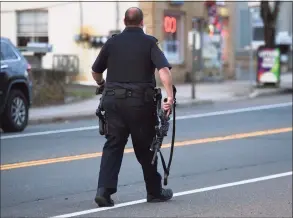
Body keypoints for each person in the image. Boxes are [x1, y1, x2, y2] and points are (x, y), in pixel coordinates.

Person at [91, 6, 174, 207]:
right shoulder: (150, 43)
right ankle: (154, 192)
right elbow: (163, 70)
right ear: (142, 22)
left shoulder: (112, 43)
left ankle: (104, 191)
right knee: (145, 147)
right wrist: (169, 96)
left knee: (113, 145)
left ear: (124, 21)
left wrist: (102, 85)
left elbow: (95, 71)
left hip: (112, 101)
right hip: (139, 103)